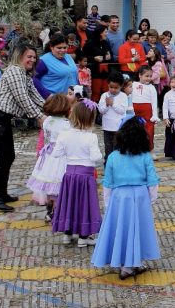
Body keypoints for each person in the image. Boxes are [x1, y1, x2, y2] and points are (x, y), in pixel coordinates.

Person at [91, 117, 160, 279]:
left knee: (121, 228)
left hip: (119, 197)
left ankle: (126, 264)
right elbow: (152, 180)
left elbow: (107, 182)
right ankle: (132, 264)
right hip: (140, 196)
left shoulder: (113, 157)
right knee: (138, 229)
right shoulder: (144, 156)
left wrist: (107, 203)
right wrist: (151, 198)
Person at [0, 44, 45, 211]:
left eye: (34, 57)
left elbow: (36, 97)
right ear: (20, 57)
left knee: (8, 156)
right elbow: (23, 99)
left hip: (2, 118)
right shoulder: (15, 71)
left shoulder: (25, 75)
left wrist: (53, 109)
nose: (32, 59)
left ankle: (1, 193)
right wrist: (39, 117)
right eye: (28, 56)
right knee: (3, 157)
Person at [50, 99, 103, 248]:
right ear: (90, 119)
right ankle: (84, 236)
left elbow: (56, 154)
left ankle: (67, 234)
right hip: (85, 176)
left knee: (69, 203)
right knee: (85, 205)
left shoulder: (64, 135)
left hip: (69, 175)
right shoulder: (91, 137)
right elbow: (96, 157)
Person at [26, 94, 72, 219]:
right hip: (60, 157)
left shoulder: (46, 121)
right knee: (58, 183)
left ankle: (49, 211)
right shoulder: (66, 124)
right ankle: (58, 211)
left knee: (47, 183)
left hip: (47, 156)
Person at [33, 34, 79, 98]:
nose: (62, 50)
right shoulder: (44, 61)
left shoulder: (68, 57)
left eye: (65, 47)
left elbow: (74, 75)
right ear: (51, 47)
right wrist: (47, 95)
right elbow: (34, 78)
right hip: (55, 101)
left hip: (71, 99)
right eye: (59, 48)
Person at [97, 73, 128, 161]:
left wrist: (113, 104)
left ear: (121, 86)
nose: (113, 90)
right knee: (108, 148)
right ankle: (108, 165)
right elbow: (101, 110)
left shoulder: (123, 96)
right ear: (108, 85)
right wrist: (107, 105)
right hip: (107, 127)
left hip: (118, 128)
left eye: (116, 88)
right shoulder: (104, 95)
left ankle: (118, 165)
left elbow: (122, 111)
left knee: (118, 148)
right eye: (111, 87)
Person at [130, 66, 159, 151]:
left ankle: (150, 149)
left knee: (149, 131)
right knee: (135, 130)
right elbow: (130, 97)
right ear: (140, 75)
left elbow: (154, 102)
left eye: (150, 76)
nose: (149, 78)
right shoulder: (133, 84)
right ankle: (135, 149)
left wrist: (155, 115)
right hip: (134, 110)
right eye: (146, 76)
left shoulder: (151, 87)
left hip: (147, 111)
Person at [82, 27, 113, 102]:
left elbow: (110, 55)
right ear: (100, 33)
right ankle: (94, 110)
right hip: (95, 71)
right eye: (105, 32)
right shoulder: (90, 43)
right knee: (96, 92)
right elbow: (83, 57)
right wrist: (94, 58)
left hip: (105, 72)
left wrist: (109, 56)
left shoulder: (106, 43)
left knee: (106, 91)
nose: (107, 34)